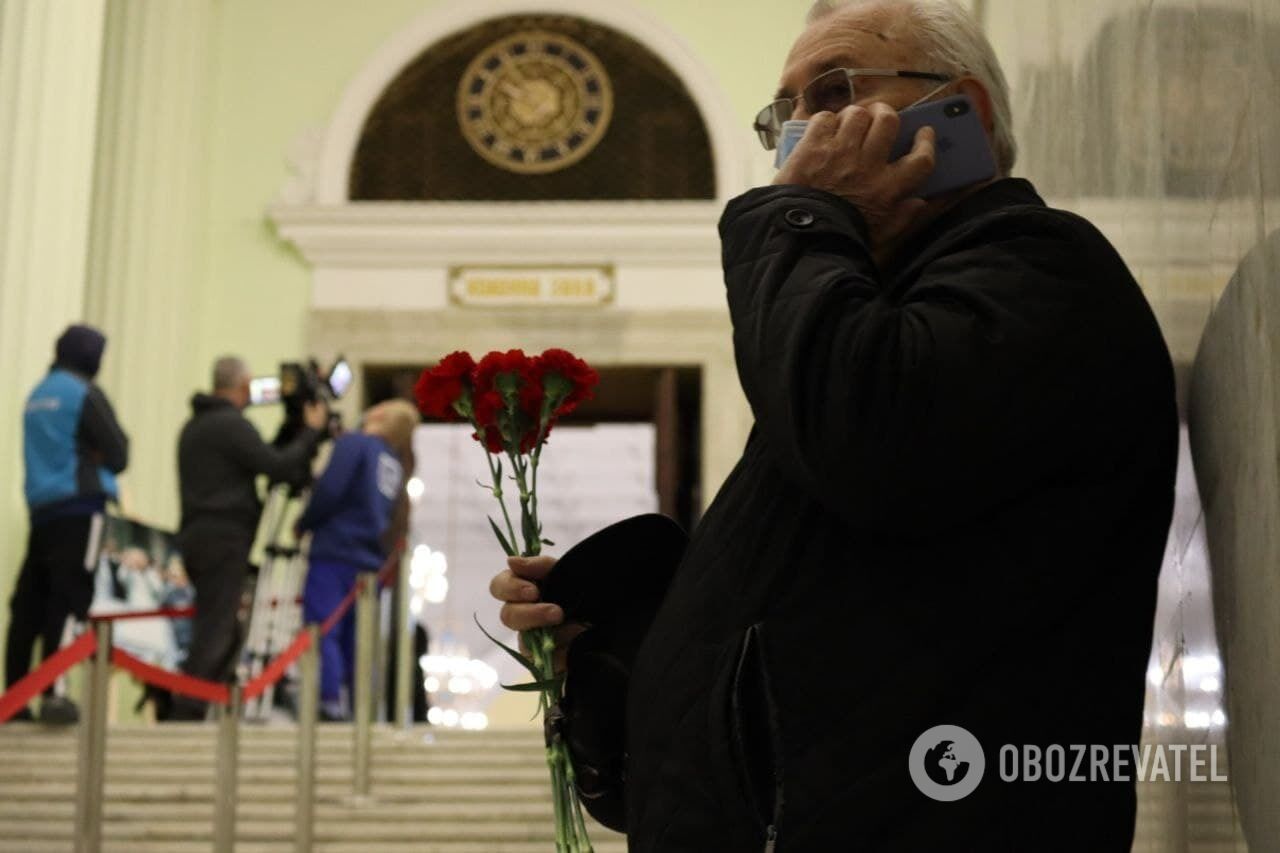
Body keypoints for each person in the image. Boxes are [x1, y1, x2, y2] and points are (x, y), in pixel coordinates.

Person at [490, 1, 1178, 850]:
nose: (799, 133)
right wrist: (631, 642)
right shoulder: (863, 311)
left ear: (963, 113)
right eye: (784, 112)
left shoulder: (1039, 268)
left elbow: (872, 447)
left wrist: (802, 219)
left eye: (835, 90)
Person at [170, 356, 326, 720]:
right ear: (243, 386)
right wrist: (310, 432)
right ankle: (186, 715)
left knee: (222, 626)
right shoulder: (230, 425)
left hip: (198, 537)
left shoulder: (196, 426)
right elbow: (280, 467)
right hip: (223, 541)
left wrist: (292, 435)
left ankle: (199, 708)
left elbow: (264, 459)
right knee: (217, 629)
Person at [6, 324, 129, 724]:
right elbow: (119, 453)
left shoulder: (38, 394)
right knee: (70, 600)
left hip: (42, 509)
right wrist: (95, 453)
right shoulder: (83, 393)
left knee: (29, 604)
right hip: (80, 507)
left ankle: (15, 697)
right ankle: (55, 693)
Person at [297, 400, 417, 721]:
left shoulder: (356, 444)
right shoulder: (392, 462)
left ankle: (328, 699)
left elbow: (330, 490)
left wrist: (303, 522)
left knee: (324, 626)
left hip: (336, 550)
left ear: (377, 415)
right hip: (368, 561)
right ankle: (356, 707)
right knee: (356, 638)